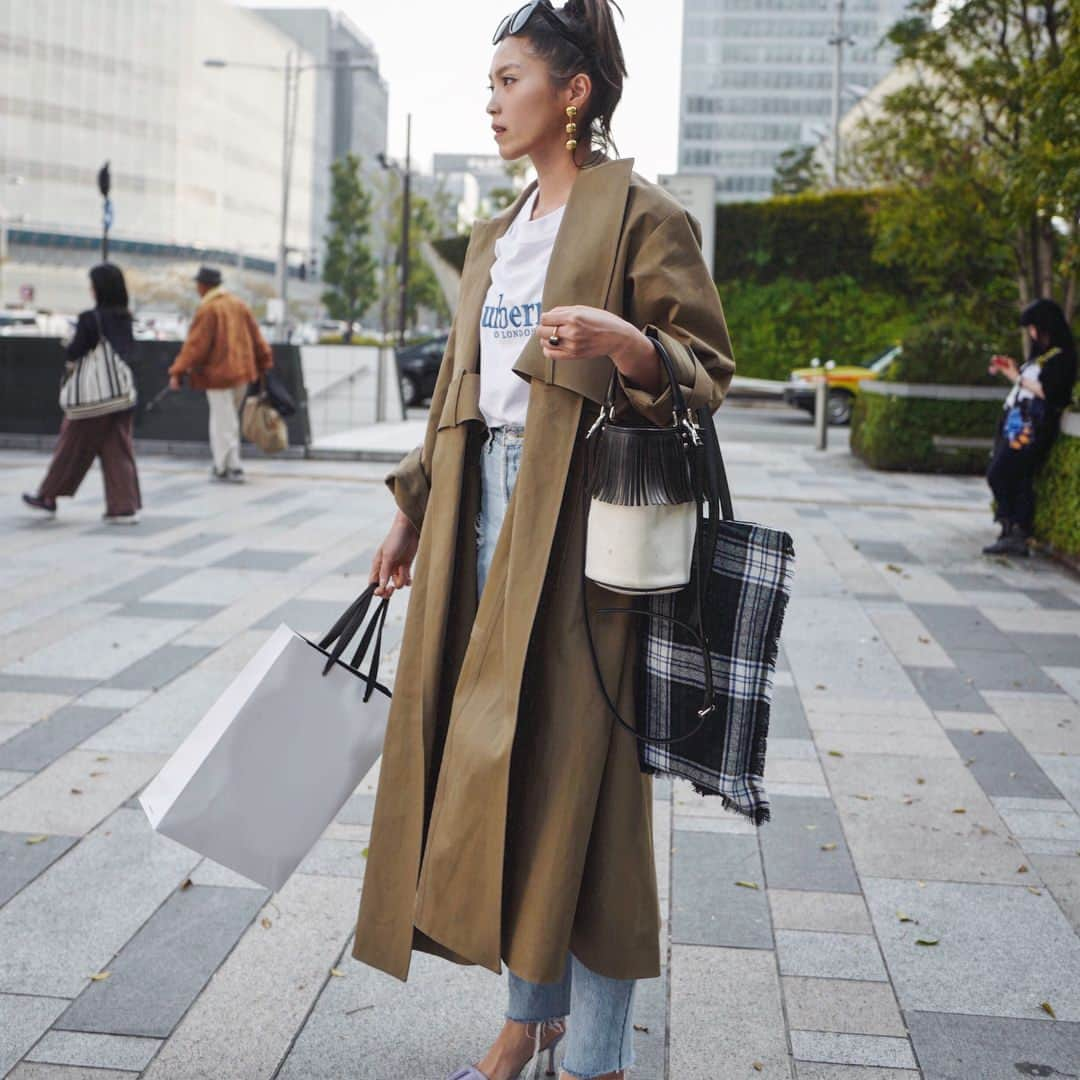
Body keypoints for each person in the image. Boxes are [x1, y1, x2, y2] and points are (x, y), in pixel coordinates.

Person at [352, 3, 735, 1078]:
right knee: (504, 763)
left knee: (589, 783)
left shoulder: (640, 219)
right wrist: (411, 512)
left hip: (588, 527)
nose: (491, 98)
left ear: (573, 94)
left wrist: (632, 345)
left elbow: (706, 367)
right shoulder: (494, 235)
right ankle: (531, 1013)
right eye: (488, 81)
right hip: (482, 513)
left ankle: (595, 1048)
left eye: (509, 78)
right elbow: (455, 397)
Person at [22, 263, 142, 524]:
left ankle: (48, 496)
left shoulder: (91, 318)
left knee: (71, 446)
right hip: (121, 393)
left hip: (93, 397)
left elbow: (75, 351)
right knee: (117, 449)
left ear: (99, 288)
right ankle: (123, 507)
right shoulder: (125, 317)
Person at [984, 298, 1077, 556]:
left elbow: (1051, 393)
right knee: (1017, 477)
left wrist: (1017, 378)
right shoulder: (1041, 356)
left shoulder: (1062, 357)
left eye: (1034, 327)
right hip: (1016, 422)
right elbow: (1026, 383)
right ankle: (1012, 529)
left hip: (1033, 426)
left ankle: (1016, 528)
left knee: (1000, 472)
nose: (1032, 334)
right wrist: (1012, 370)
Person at [168, 266, 273, 483]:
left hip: (217, 375)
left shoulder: (209, 309)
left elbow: (195, 346)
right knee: (227, 419)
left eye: (198, 284)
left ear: (204, 285)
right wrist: (265, 361)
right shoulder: (238, 305)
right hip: (242, 373)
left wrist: (177, 370)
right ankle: (224, 464)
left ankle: (231, 466)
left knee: (223, 421)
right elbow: (257, 337)